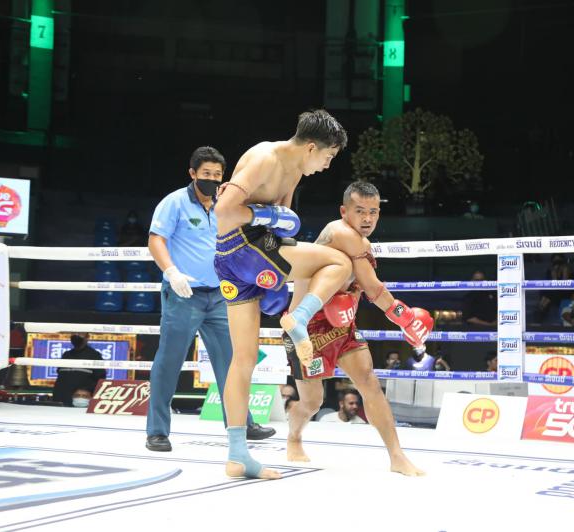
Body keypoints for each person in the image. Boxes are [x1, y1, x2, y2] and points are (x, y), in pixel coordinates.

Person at [213, 110, 353, 479]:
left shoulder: (294, 170)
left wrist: (273, 272)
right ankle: (300, 317)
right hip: (244, 249)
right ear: (311, 147)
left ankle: (237, 455)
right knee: (339, 263)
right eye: (328, 157)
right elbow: (223, 210)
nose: (326, 166)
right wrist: (269, 216)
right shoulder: (265, 158)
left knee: (244, 359)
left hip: (236, 260)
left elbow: (282, 226)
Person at [282, 180, 429, 476]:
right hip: (307, 328)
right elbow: (374, 289)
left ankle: (397, 456)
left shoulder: (362, 244)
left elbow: (365, 288)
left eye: (373, 212)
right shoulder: (339, 232)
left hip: (343, 325)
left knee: (369, 382)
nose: (367, 218)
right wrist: (406, 318)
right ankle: (294, 436)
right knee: (312, 402)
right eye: (360, 211)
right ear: (344, 211)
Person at [145, 146, 274, 454]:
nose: (213, 180)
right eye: (207, 174)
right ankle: (157, 432)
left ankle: (242, 423)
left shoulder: (226, 204)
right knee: (169, 362)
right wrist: (172, 271)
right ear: (192, 173)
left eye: (218, 175)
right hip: (183, 294)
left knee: (231, 360)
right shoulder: (174, 202)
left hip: (220, 294)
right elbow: (155, 239)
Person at [52, 334, 106, 407]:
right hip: (60, 402)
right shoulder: (66, 355)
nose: (77, 336)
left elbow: (100, 380)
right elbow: (60, 377)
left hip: (80, 402)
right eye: (74, 333)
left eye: (80, 334)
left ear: (87, 337)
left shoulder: (95, 356)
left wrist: (84, 395)